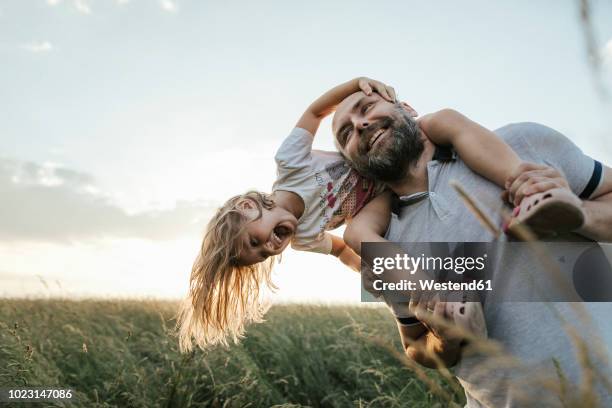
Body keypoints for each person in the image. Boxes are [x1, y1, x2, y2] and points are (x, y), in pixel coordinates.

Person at [175, 77, 581, 353]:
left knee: (444, 119)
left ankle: (526, 187)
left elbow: (315, 111)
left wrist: (356, 84)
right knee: (357, 235)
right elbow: (343, 251)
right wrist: (381, 273)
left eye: (255, 240)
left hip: (389, 162)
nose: (271, 246)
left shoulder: (291, 163)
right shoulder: (303, 238)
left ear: (248, 207)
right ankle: (442, 305)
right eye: (264, 255)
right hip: (380, 192)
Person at [331, 89, 612, 407]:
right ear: (355, 164)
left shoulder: (522, 143)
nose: (360, 125)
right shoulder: (380, 247)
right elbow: (414, 344)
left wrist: (580, 213)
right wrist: (445, 340)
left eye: (366, 107)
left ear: (407, 109)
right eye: (346, 133)